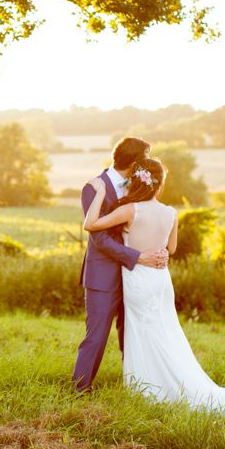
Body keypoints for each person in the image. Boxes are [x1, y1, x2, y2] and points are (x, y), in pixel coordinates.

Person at [83, 157, 225, 423]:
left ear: (137, 182)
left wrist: (100, 192)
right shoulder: (171, 213)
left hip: (138, 278)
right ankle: (173, 380)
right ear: (159, 185)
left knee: (141, 331)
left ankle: (148, 388)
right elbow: (171, 249)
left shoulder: (130, 210)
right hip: (160, 280)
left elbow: (90, 225)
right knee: (165, 330)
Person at [71, 137, 169, 394]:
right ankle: (80, 389)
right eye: (147, 156)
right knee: (97, 335)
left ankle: (138, 386)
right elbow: (99, 238)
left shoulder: (139, 183)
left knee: (133, 333)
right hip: (103, 274)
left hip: (136, 277)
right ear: (136, 162)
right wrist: (138, 256)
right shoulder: (94, 187)